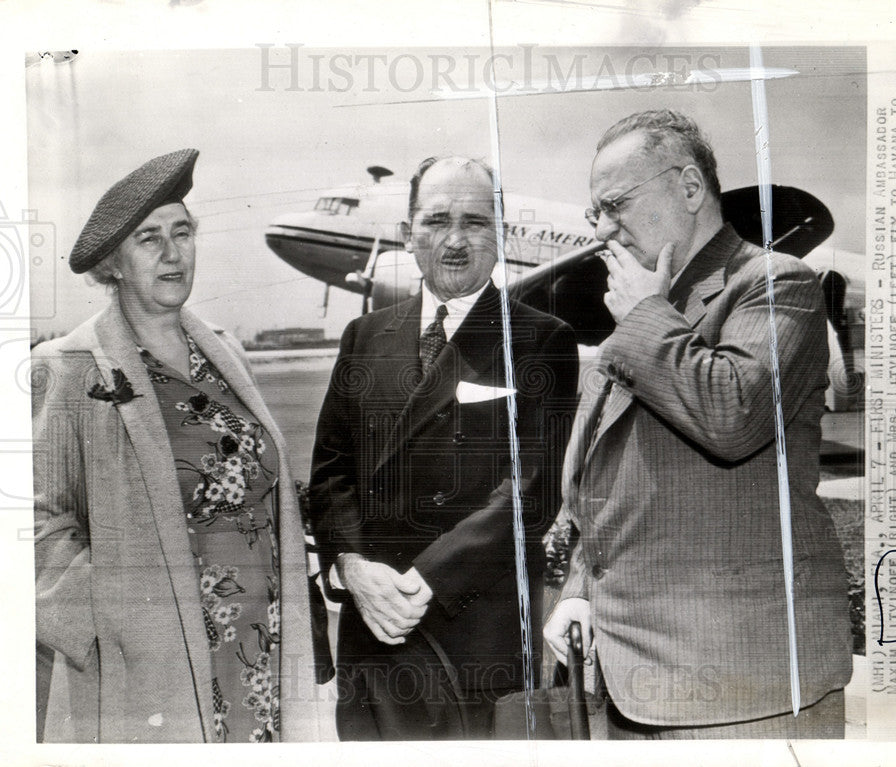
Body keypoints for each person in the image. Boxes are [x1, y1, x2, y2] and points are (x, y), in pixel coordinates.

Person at [544, 110, 853, 739]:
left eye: (616, 205)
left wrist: (642, 320)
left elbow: (732, 415)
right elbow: (596, 480)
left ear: (689, 188)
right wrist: (579, 588)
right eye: (593, 215)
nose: (603, 231)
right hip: (635, 680)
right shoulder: (647, 312)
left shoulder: (773, 284)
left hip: (741, 688)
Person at [33, 149, 326, 742]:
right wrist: (116, 616)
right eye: (149, 239)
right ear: (112, 265)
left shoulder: (223, 351)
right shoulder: (66, 368)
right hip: (151, 664)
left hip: (260, 645)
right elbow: (36, 522)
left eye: (183, 232)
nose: (173, 253)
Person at [308, 156, 579, 739]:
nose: (455, 240)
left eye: (475, 222)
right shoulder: (364, 336)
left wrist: (418, 584)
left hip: (473, 637)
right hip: (372, 635)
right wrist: (353, 569)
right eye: (436, 221)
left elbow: (531, 491)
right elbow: (332, 470)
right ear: (409, 235)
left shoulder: (542, 339)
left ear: (499, 234)